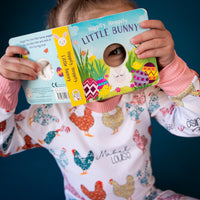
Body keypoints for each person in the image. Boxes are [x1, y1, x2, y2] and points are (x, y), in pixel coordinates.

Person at [0, 0, 200, 199]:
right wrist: (5, 85)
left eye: (121, 47)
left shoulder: (142, 92)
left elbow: (195, 124)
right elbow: (4, 144)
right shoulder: (50, 113)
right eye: (112, 51)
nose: (117, 59)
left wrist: (171, 67)